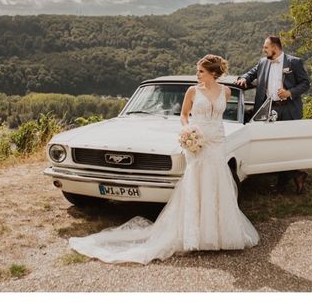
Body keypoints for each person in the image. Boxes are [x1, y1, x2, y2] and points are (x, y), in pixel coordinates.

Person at [68, 54, 259, 263]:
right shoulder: (193, 91)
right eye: (197, 71)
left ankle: (219, 234)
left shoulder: (227, 91)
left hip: (217, 141)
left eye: (201, 71)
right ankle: (194, 235)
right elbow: (184, 114)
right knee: (196, 183)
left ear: (213, 73)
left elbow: (221, 115)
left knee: (218, 183)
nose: (197, 74)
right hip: (197, 141)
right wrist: (188, 131)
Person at [236, 35, 311, 193]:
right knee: (272, 145)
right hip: (269, 108)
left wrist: (290, 92)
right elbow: (251, 73)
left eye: (266, 47)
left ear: (275, 48)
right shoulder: (263, 62)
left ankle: (282, 183)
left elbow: (305, 83)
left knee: (288, 145)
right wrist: (243, 78)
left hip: (289, 108)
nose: (264, 50)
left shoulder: (294, 62)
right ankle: (296, 175)